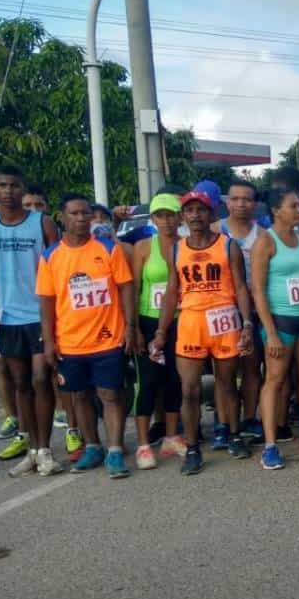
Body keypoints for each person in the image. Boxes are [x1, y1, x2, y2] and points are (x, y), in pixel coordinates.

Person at [150, 190, 255, 475]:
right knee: (189, 390)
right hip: (191, 322)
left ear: (211, 214)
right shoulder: (176, 249)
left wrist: (246, 323)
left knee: (226, 384)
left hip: (224, 319)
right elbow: (172, 291)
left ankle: (234, 435)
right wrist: (161, 331)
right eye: (189, 210)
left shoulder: (228, 245)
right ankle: (193, 448)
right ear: (184, 216)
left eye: (201, 210)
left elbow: (241, 287)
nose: (195, 215)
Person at [36, 193, 136, 477]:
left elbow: (126, 287)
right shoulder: (51, 256)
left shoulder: (107, 249)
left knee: (109, 394)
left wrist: (130, 327)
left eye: (85, 214)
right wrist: (49, 341)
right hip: (70, 342)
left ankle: (115, 451)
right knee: (79, 396)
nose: (81, 219)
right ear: (62, 218)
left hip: (108, 337)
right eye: (75, 214)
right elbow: (46, 301)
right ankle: (92, 446)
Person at [250, 188, 299, 470]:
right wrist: (269, 332)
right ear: (275, 210)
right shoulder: (265, 242)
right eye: (293, 206)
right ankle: (270, 445)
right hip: (280, 319)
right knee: (275, 379)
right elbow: (257, 290)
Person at [0, 167, 59, 472]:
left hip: (40, 315)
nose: (8, 191)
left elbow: (58, 267)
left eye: (14, 186)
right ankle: (31, 448)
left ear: (22, 190)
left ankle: (44, 448)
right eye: (2, 185)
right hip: (7, 316)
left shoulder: (42, 224)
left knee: (41, 379)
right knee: (20, 384)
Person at [130, 193, 183, 468]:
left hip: (180, 321)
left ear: (180, 217)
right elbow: (134, 289)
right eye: (160, 215)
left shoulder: (186, 246)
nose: (166, 221)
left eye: (171, 214)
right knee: (148, 381)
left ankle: (171, 436)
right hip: (148, 321)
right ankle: (142, 444)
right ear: (153, 219)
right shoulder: (142, 247)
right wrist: (134, 327)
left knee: (174, 378)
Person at [213, 180, 265, 443]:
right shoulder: (214, 231)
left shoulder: (263, 234)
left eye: (246, 199)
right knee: (224, 373)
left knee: (252, 368)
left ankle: (249, 418)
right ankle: (222, 423)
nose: (241, 204)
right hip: (220, 311)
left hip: (255, 310)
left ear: (254, 204)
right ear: (227, 202)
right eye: (235, 199)